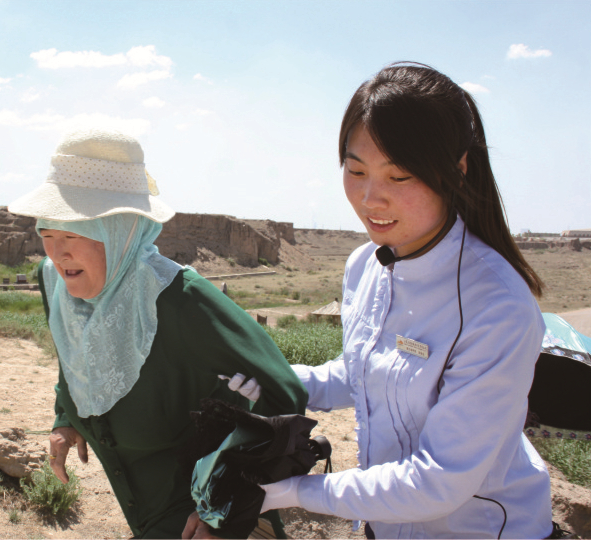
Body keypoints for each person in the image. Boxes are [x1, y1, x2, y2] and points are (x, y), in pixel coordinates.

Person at [188, 62, 555, 539]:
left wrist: (288, 491)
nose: (370, 198)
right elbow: (362, 372)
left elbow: (439, 480)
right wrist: (274, 380)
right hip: (384, 526)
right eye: (355, 170)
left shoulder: (496, 306)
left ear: (457, 168)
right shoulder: (365, 266)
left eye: (399, 177)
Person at [7, 129, 308, 539]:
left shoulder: (178, 299)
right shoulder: (57, 284)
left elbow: (285, 395)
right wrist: (66, 416)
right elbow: (74, 351)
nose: (58, 255)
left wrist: (222, 509)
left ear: (119, 232)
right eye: (48, 236)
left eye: (73, 236)